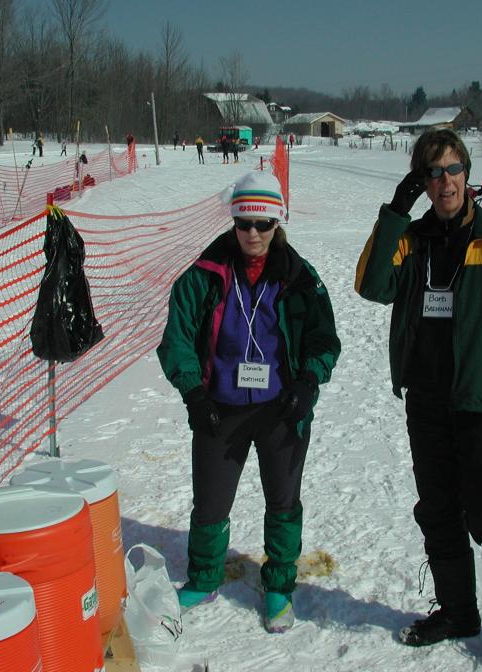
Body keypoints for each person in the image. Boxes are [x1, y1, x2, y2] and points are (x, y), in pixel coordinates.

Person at [354, 128, 482, 669]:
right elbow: (371, 285)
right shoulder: (412, 239)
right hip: (427, 402)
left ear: (468, 173)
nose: (445, 182)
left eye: (453, 168)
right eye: (433, 173)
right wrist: (394, 212)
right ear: (423, 181)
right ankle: (459, 610)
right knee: (437, 511)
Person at [156, 171, 341, 634]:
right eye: (244, 223)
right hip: (221, 408)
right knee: (211, 503)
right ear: (233, 222)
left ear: (279, 222)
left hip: (281, 409)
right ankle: (203, 576)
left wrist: (307, 384)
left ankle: (278, 583)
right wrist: (193, 392)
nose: (252, 234)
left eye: (263, 223)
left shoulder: (300, 277)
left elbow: (324, 339)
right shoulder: (205, 274)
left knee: (283, 500)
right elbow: (176, 337)